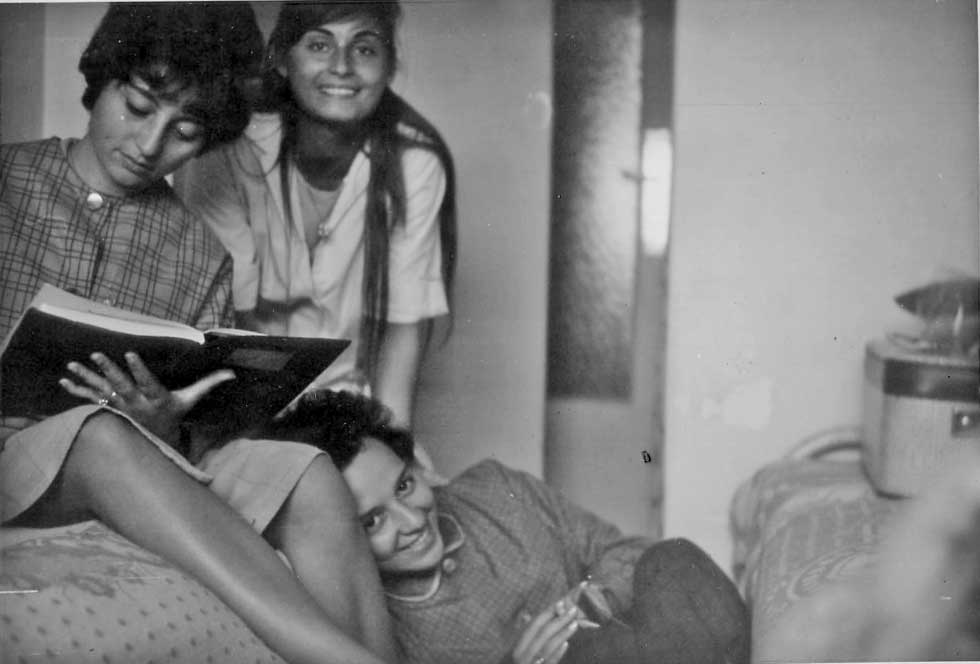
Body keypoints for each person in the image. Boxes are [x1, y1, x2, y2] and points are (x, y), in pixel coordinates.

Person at [0, 5, 396, 663]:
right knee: (100, 434)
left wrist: (163, 424)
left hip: (136, 466)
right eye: (137, 106)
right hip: (16, 458)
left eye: (185, 131)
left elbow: (201, 429)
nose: (150, 144)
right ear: (100, 81)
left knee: (305, 469)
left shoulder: (200, 252)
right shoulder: (7, 180)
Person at [208, 389, 751, 664]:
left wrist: (589, 601)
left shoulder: (495, 489)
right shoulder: (374, 621)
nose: (411, 520)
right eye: (373, 521)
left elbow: (626, 550)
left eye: (404, 486)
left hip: (639, 639)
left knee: (676, 560)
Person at [175, 0, 457, 437]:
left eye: (364, 49)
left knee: (407, 478)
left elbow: (402, 334)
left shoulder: (413, 164)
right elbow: (228, 331)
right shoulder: (229, 150)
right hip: (240, 408)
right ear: (281, 60)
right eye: (320, 45)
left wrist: (393, 448)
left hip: (351, 413)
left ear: (389, 67)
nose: (342, 66)